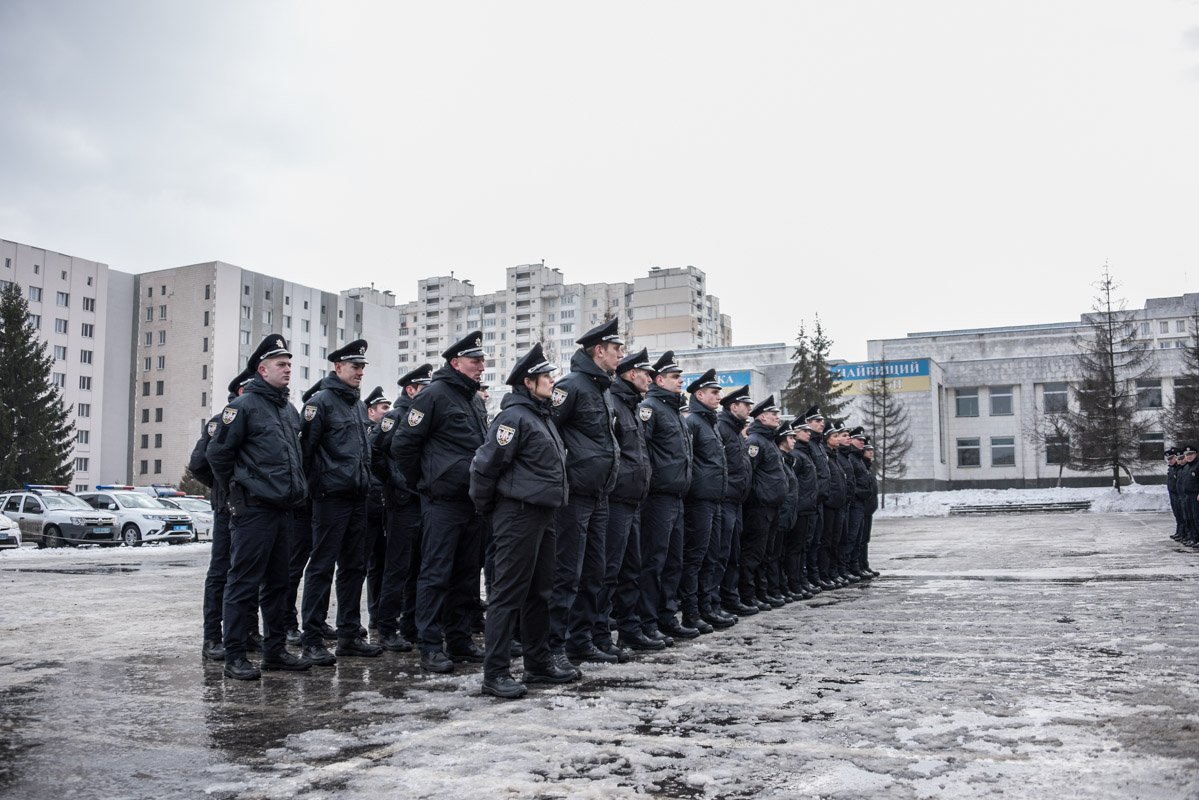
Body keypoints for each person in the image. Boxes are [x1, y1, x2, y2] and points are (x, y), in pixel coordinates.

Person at [470, 343, 576, 698]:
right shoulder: (513, 418)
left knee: (539, 592)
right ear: (529, 382)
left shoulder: (540, 416)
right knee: (507, 594)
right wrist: (489, 509)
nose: (552, 381)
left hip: (543, 514)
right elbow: (485, 467)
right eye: (546, 376)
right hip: (517, 514)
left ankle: (538, 662)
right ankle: (495, 672)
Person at [206, 335, 310, 680]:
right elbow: (217, 455)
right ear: (262, 370)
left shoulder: (288, 410)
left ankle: (275, 651)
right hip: (253, 510)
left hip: (284, 510)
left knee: (279, 584)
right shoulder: (243, 407)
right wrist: (238, 489)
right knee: (243, 583)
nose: (288, 369)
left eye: (289, 364)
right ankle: (235, 655)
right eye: (281, 364)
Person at [392, 331, 489, 673]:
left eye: (482, 360)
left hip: (471, 501)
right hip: (442, 502)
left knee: (466, 575)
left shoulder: (474, 400)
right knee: (435, 574)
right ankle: (430, 644)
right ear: (456, 363)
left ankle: (459, 639)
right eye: (475, 360)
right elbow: (403, 444)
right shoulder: (433, 395)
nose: (482, 366)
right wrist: (423, 482)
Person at [298, 340, 382, 666]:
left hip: (358, 498)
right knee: (321, 567)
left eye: (362, 367)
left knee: (354, 568)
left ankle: (349, 635)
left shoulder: (357, 405)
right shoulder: (319, 404)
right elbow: (305, 455)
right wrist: (314, 491)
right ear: (337, 367)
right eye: (354, 367)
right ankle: (312, 639)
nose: (360, 372)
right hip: (329, 499)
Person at [549, 318, 622, 667]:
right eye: (616, 348)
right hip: (575, 495)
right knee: (567, 574)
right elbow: (549, 434)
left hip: (599, 494)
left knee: (595, 572)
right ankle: (554, 647)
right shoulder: (571, 386)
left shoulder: (603, 388)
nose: (620, 354)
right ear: (599, 351)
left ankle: (581, 641)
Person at [188, 366, 255, 661]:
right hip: (227, 507)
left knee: (249, 572)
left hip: (252, 507)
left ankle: (248, 632)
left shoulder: (259, 416)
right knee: (221, 572)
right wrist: (224, 487)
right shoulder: (221, 421)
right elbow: (199, 464)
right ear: (241, 391)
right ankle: (213, 637)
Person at [371, 364, 433, 652]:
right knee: (397, 567)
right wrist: (394, 481)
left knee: (419, 566)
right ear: (411, 390)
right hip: (402, 502)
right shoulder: (394, 417)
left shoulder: (425, 415)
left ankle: (411, 625)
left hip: (423, 499)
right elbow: (375, 452)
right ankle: (386, 627)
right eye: (424, 388)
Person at [638, 351, 694, 644]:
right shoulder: (650, 408)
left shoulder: (673, 411)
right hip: (657, 498)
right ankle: (647, 622)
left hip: (676, 496)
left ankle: (667, 617)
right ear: (659, 380)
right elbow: (643, 451)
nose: (680, 381)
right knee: (654, 562)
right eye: (674, 377)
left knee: (673, 561)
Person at [607, 348, 658, 652]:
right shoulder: (613, 404)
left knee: (631, 569)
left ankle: (630, 630)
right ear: (631, 374)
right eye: (646, 374)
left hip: (633, 499)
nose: (650, 379)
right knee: (609, 570)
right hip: (615, 499)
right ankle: (600, 635)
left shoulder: (631, 406)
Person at [682, 369, 727, 633]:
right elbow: (689, 460)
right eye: (714, 392)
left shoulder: (710, 423)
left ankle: (707, 608)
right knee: (695, 558)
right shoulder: (693, 423)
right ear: (699, 395)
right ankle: (691, 613)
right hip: (698, 500)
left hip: (714, 499)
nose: (719, 396)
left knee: (711, 556)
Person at [740, 396, 786, 610]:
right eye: (773, 414)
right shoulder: (755, 441)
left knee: (766, 553)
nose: (777, 417)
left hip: (771, 506)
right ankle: (749, 595)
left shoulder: (768, 441)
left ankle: (762, 592)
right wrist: (757, 497)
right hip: (759, 507)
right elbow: (748, 474)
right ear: (761, 417)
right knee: (753, 553)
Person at [714, 386, 755, 620]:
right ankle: (716, 602)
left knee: (733, 554)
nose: (749, 409)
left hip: (737, 500)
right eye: (745, 405)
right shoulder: (722, 428)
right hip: (725, 499)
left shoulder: (736, 431)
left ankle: (730, 598)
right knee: (721, 554)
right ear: (733, 407)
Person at [362, 386, 392, 630]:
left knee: (383, 562)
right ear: (371, 411)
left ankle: (383, 612)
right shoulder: (368, 435)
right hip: (369, 506)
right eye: (383, 408)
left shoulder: (388, 433)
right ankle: (374, 613)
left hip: (385, 507)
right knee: (370, 564)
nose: (387, 412)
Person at [787, 421, 820, 599]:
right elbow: (793, 483)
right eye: (804, 431)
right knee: (795, 548)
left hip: (808, 507)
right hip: (799, 508)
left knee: (802, 547)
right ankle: (794, 583)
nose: (809, 433)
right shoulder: (796, 455)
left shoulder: (805, 453)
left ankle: (800, 580)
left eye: (809, 431)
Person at [801, 406, 830, 594]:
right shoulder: (809, 444)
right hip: (811, 500)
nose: (822, 424)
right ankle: (808, 578)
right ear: (808, 423)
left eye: (822, 421)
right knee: (808, 542)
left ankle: (814, 576)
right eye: (817, 421)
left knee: (817, 541)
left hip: (819, 501)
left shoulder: (818, 444)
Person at [769, 420, 799, 603]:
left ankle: (781, 586)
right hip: (780, 514)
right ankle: (775, 589)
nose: (794, 440)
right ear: (782, 439)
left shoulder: (787, 460)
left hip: (788, 514)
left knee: (781, 553)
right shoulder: (780, 459)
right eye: (790, 437)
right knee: (774, 555)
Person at [819, 418, 850, 589]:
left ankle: (833, 572)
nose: (838, 439)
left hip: (838, 505)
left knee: (836, 540)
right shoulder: (825, 455)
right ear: (827, 438)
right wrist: (830, 499)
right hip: (829, 505)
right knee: (827, 541)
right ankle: (825, 574)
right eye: (835, 436)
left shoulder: (834, 455)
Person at [843, 426, 874, 581]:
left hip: (862, 504)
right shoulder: (851, 458)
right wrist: (859, 493)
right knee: (851, 537)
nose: (862, 442)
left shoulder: (858, 458)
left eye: (863, 440)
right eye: (859, 440)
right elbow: (850, 482)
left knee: (859, 538)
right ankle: (848, 567)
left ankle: (856, 566)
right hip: (855, 503)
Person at [859, 442, 881, 576]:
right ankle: (860, 566)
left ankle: (864, 565)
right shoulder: (861, 465)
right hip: (862, 507)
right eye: (868, 450)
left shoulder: (868, 467)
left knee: (865, 539)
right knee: (860, 539)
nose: (871, 452)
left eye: (872, 450)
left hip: (869, 509)